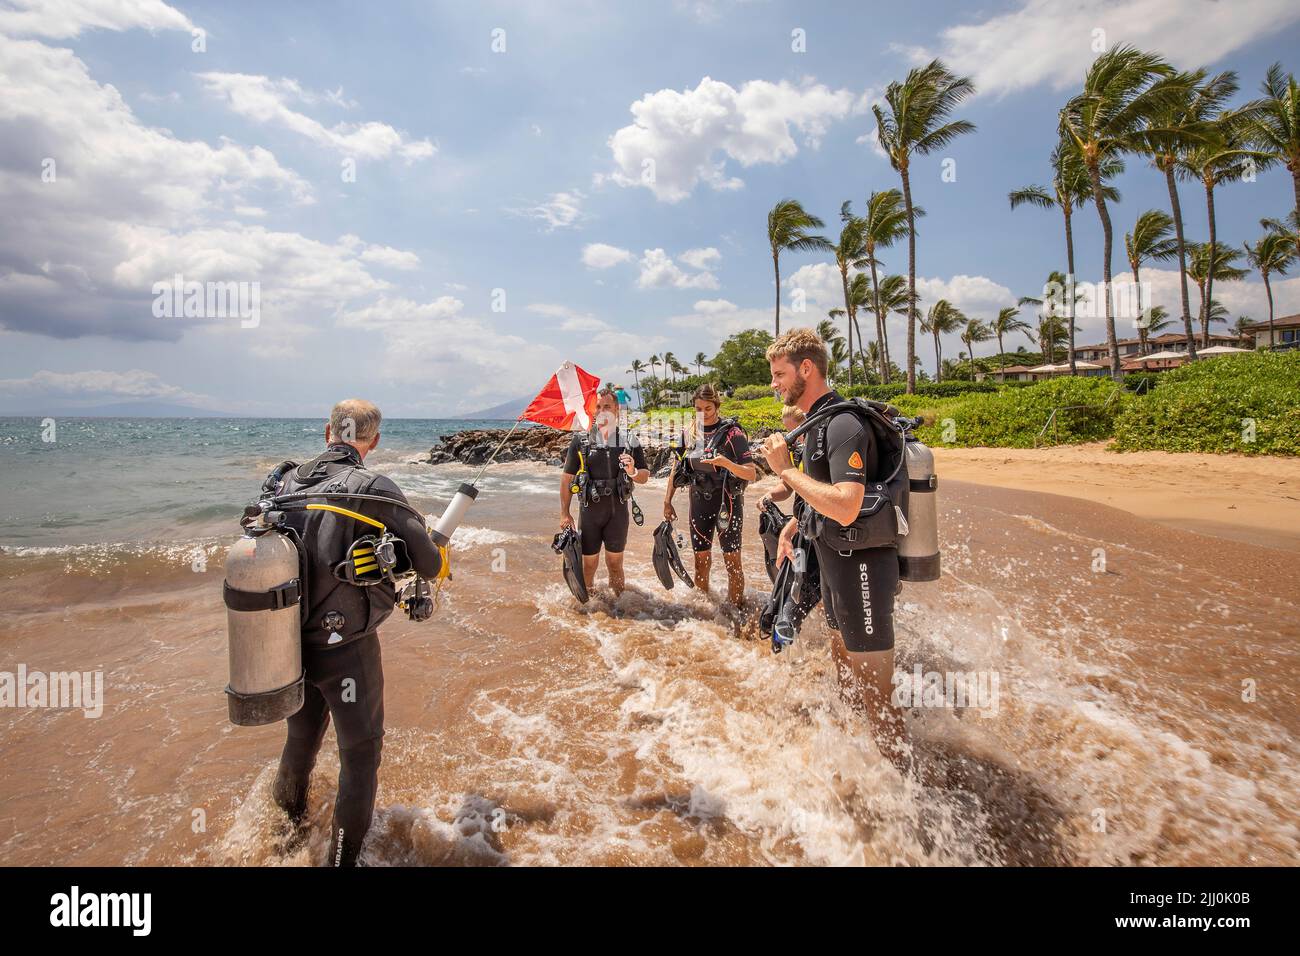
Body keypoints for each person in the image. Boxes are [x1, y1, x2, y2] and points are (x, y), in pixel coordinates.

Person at [267, 399, 443, 866]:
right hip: (347, 651)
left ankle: (285, 837)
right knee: (360, 757)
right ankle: (343, 861)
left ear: (328, 431)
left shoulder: (284, 482)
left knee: (300, 740)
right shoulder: (372, 486)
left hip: (284, 645)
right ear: (375, 440)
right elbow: (429, 562)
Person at [757, 330, 909, 773]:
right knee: (843, 664)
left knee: (878, 694)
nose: (774, 384)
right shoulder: (817, 424)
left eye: (779, 374)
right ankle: (858, 760)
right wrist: (794, 525)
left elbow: (845, 505)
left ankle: (908, 799)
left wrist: (785, 469)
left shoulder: (843, 424)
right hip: (834, 563)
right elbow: (820, 495)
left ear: (807, 369)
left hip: (863, 566)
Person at [664, 383, 756, 606]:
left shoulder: (732, 433)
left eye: (708, 408)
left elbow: (752, 473)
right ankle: (705, 613)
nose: (703, 413)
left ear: (716, 406)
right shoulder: (689, 432)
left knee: (732, 562)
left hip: (727, 504)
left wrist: (725, 462)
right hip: (699, 503)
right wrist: (667, 501)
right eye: (698, 408)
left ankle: (735, 610)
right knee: (700, 561)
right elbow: (677, 468)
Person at [560, 386, 650, 595]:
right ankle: (588, 610)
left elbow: (644, 475)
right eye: (598, 407)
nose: (602, 411)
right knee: (588, 566)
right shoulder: (581, 442)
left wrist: (633, 471)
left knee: (615, 564)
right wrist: (565, 513)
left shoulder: (629, 441)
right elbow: (566, 480)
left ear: (616, 410)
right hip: (590, 513)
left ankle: (619, 610)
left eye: (607, 406)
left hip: (617, 513)